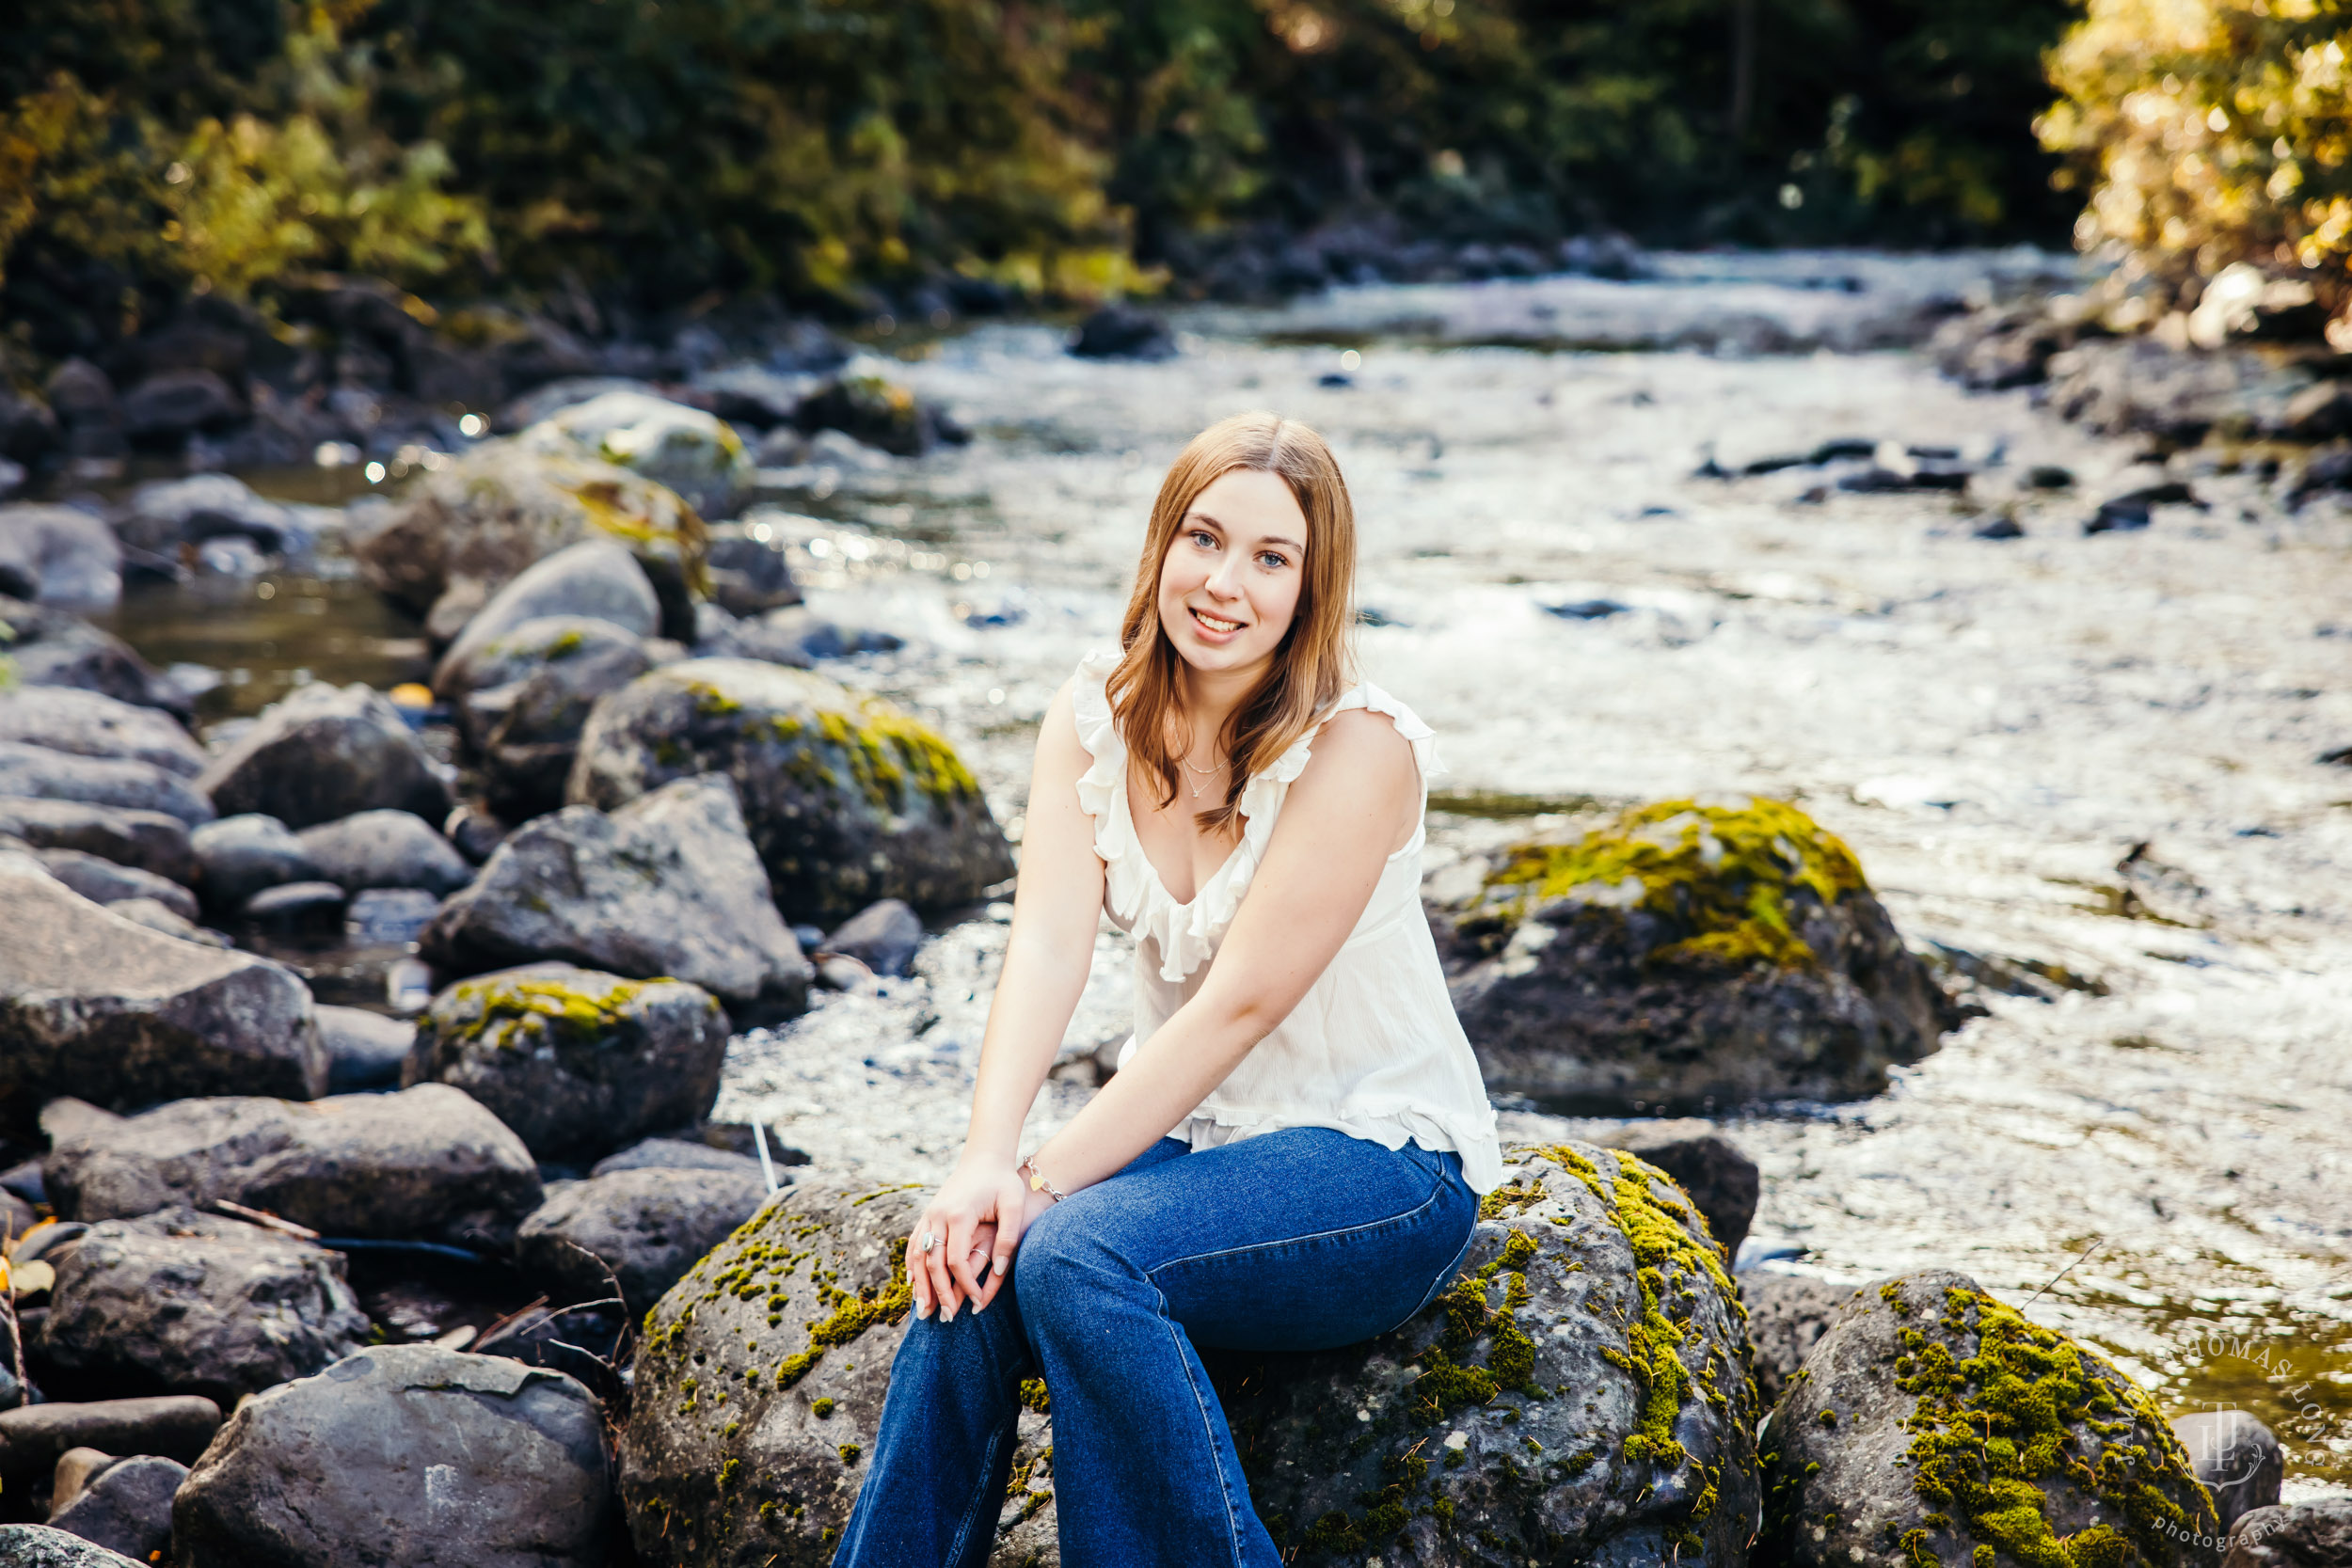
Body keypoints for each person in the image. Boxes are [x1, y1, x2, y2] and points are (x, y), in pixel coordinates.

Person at [834, 411, 1502, 1567]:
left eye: (1269, 557)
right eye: (1203, 537)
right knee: (975, 1268)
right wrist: (989, 1163)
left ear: (1311, 585)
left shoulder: (1360, 747)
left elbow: (1238, 1004)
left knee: (1076, 1252)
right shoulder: (1096, 714)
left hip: (1379, 1159)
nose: (1223, 582)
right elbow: (1044, 944)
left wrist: (1047, 1178)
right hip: (1199, 1147)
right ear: (1159, 544)